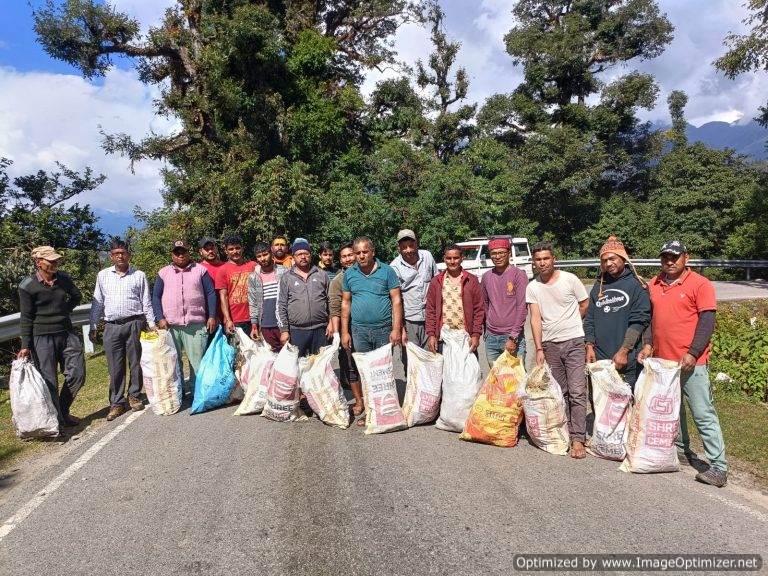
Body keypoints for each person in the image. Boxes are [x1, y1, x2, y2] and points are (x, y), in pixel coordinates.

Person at [638, 240, 728, 487]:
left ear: (685, 258)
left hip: (692, 362)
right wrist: (647, 344)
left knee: (702, 412)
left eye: (674, 257)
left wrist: (693, 352)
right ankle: (681, 450)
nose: (669, 261)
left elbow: (706, 323)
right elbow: (650, 320)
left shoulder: (700, 284)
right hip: (663, 363)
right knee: (673, 410)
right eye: (665, 257)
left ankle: (719, 466)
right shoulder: (654, 285)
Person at [526, 242, 589, 459]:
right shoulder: (533, 287)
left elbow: (584, 304)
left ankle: (579, 438)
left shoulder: (569, 279)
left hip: (573, 342)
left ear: (554, 259)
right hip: (550, 345)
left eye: (546, 258)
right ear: (534, 263)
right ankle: (566, 433)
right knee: (560, 393)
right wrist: (539, 347)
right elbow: (535, 318)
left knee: (578, 391)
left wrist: (571, 323)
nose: (542, 263)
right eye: (538, 260)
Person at [17, 246, 85, 428]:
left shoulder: (63, 279)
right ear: (38, 263)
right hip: (41, 337)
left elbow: (76, 296)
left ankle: (61, 410)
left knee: (77, 374)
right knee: (49, 381)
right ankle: (57, 421)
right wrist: (25, 344)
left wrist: (65, 310)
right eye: (51, 261)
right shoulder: (27, 286)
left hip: (66, 332)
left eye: (56, 260)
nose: (55, 263)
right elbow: (26, 316)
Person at [89, 239, 155, 421]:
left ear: (129, 255)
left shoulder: (139, 275)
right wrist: (93, 325)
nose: (120, 256)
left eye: (123, 253)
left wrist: (152, 324)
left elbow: (146, 301)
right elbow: (97, 302)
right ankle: (116, 403)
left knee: (136, 362)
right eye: (116, 253)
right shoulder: (103, 275)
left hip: (135, 323)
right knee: (115, 366)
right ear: (111, 256)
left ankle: (134, 395)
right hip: (111, 326)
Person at [152, 240, 218, 397]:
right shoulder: (163, 273)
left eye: (183, 252)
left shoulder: (200, 270)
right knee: (174, 362)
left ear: (189, 253)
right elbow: (155, 296)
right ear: (172, 254)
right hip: (170, 326)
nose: (180, 255)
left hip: (195, 324)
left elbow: (210, 294)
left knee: (197, 363)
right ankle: (178, 392)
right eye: (177, 252)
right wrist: (160, 318)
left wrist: (212, 316)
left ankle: (198, 393)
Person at [584, 236, 651, 389]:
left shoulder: (636, 285)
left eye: (612, 259)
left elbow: (639, 322)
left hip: (626, 359)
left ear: (623, 258)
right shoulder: (599, 286)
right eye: (605, 260)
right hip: (600, 359)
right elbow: (590, 319)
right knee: (601, 405)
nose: (608, 263)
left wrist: (624, 351)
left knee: (626, 404)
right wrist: (589, 345)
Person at [277, 239, 332, 357]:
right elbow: (281, 305)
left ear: (310, 255)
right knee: (297, 367)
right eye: (299, 254)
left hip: (320, 329)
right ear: (293, 257)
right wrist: (284, 330)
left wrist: (331, 322)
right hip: (296, 331)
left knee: (320, 367)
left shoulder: (321, 274)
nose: (303, 257)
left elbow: (330, 301)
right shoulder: (286, 278)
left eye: (306, 253)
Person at [390, 229, 437, 368]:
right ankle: (412, 390)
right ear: (399, 248)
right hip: (410, 320)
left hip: (430, 317)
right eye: (404, 247)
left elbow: (436, 284)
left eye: (411, 245)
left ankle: (431, 390)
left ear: (417, 244)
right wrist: (400, 329)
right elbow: (395, 300)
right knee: (412, 362)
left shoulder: (427, 256)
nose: (408, 250)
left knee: (432, 358)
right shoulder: (394, 267)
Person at [425, 245, 484, 354]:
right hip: (443, 338)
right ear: (444, 258)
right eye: (449, 258)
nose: (452, 261)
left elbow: (479, 310)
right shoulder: (436, 282)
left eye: (456, 258)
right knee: (446, 371)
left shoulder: (471, 280)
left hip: (466, 338)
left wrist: (476, 334)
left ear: (462, 258)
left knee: (467, 370)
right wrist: (431, 335)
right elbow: (430, 310)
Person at [481, 236, 528, 368]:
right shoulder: (486, 277)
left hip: (512, 338)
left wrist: (513, 337)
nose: (497, 256)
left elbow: (522, 308)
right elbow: (485, 304)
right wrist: (487, 330)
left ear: (509, 253)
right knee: (497, 383)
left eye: (501, 253)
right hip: (491, 338)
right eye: (494, 253)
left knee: (515, 383)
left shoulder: (518, 275)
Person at [329, 242, 363, 416]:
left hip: (367, 326)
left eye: (351, 254)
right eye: (344, 256)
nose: (348, 258)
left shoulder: (366, 274)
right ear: (340, 260)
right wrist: (338, 334)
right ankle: (359, 400)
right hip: (347, 328)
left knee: (370, 364)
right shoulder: (337, 281)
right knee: (351, 365)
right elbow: (335, 309)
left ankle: (375, 398)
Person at [248, 241, 287, 352]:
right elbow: (253, 302)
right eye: (259, 256)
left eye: (265, 254)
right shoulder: (253, 277)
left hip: (284, 324)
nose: (262, 259)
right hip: (265, 324)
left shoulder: (284, 272)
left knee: (289, 355)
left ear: (271, 253)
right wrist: (254, 325)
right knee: (272, 356)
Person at [215, 235, 257, 335]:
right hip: (236, 319)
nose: (235, 251)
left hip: (255, 316)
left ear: (242, 248)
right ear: (226, 251)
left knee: (258, 349)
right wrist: (228, 319)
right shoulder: (222, 270)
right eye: (231, 249)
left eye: (238, 248)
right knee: (240, 350)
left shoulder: (253, 265)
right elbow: (223, 296)